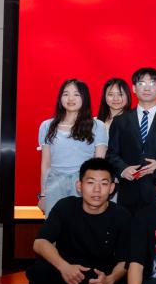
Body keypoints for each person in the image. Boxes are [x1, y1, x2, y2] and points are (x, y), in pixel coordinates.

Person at [15, 158, 131, 284]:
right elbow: (40, 243)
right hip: (67, 274)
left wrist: (109, 280)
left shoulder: (121, 215)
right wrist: (64, 267)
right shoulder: (65, 206)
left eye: (104, 183)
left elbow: (125, 260)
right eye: (90, 182)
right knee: (40, 269)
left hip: (98, 280)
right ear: (79, 186)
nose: (97, 189)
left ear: (112, 188)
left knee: (129, 275)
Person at [107, 67, 156, 214]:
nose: (147, 88)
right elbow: (111, 154)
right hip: (129, 190)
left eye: (152, 83)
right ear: (134, 88)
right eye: (141, 83)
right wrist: (123, 169)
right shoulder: (120, 121)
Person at [38, 79, 108, 215]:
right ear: (60, 98)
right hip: (55, 184)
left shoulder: (97, 126)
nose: (70, 98)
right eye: (66, 94)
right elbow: (45, 163)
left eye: (76, 94)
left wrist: (95, 190)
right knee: (56, 225)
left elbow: (99, 163)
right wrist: (43, 194)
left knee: (83, 224)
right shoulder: (47, 126)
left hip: (83, 183)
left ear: (84, 98)